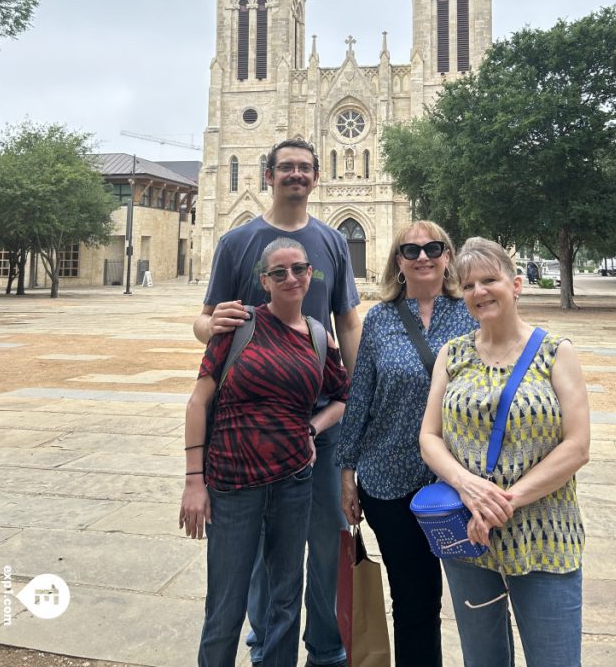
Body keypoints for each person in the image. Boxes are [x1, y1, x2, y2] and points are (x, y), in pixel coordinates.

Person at [193, 138, 361, 667]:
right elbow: (204, 321)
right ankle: (267, 640)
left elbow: (348, 321)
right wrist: (209, 327)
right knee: (267, 548)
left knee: (325, 537)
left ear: (316, 176)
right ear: (269, 175)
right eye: (285, 167)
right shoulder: (238, 241)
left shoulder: (332, 242)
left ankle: (326, 645)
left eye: (303, 168)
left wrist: (354, 398)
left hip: (322, 423)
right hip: (253, 426)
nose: (295, 175)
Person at [419, 238, 590, 667]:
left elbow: (577, 446)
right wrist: (467, 487)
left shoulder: (555, 352)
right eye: (469, 283)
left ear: (516, 285)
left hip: (544, 535)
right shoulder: (452, 354)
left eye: (490, 280)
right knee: (483, 660)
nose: (479, 291)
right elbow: (430, 436)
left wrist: (503, 502)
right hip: (470, 537)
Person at [337, 221, 475, 667]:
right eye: (410, 250)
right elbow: (361, 396)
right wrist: (347, 472)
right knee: (414, 601)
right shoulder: (380, 319)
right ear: (397, 261)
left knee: (479, 599)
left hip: (458, 483)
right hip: (388, 481)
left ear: (447, 256)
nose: (422, 257)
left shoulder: (472, 313)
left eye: (433, 248)